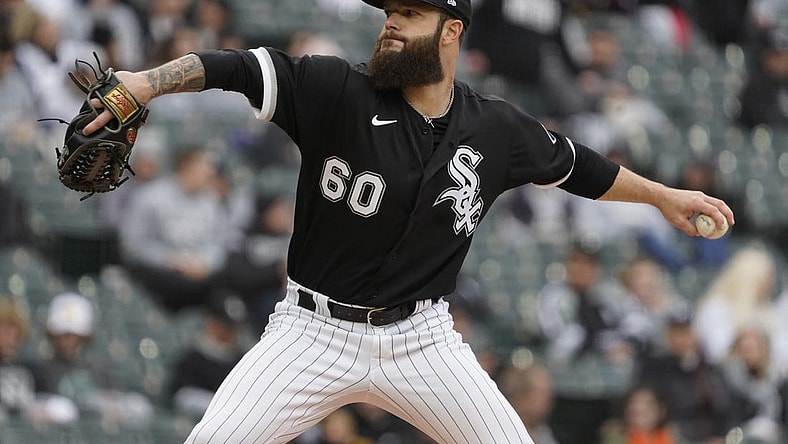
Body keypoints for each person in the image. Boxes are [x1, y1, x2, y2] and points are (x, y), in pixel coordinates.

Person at [81, 0, 735, 442]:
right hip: (311, 334)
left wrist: (663, 198)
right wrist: (145, 81)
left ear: (451, 31)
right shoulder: (337, 90)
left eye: (410, 13)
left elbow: (580, 167)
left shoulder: (496, 128)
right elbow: (236, 67)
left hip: (422, 341)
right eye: (388, 12)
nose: (390, 24)